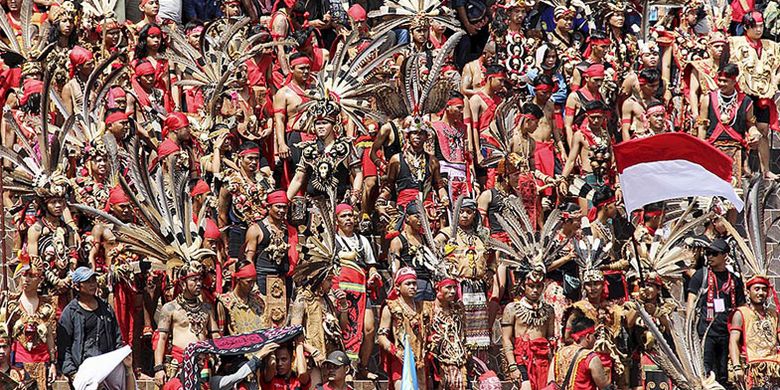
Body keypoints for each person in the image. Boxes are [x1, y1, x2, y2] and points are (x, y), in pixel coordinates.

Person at [687, 237, 746, 386]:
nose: (710, 257)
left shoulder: (734, 279)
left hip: (727, 333)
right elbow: (691, 303)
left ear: (725, 255)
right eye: (708, 253)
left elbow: (742, 307)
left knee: (724, 374)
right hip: (706, 332)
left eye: (714, 253)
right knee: (706, 373)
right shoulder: (701, 275)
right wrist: (689, 330)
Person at [154, 262, 220, 387]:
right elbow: (161, 339)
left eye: (200, 279)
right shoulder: (170, 308)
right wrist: (158, 368)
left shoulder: (207, 308)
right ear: (183, 283)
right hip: (179, 364)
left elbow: (215, 335)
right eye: (194, 280)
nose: (199, 283)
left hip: (202, 365)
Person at [57, 267, 124, 381]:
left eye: (93, 280)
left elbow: (116, 337)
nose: (92, 284)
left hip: (105, 370)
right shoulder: (70, 312)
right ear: (77, 286)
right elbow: (64, 346)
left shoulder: (106, 309)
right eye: (87, 282)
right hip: (82, 372)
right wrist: (72, 373)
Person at [243, 190, 297, 327]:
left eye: (284, 207)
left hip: (285, 281)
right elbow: (248, 258)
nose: (282, 210)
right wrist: (252, 283)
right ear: (268, 207)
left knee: (284, 320)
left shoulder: (290, 231)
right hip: (263, 280)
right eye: (278, 206)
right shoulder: (256, 229)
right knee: (265, 319)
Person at [377, 268, 431, 390]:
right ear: (398, 287)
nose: (412, 287)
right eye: (408, 284)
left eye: (414, 283)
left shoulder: (423, 307)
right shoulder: (391, 307)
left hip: (420, 362)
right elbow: (381, 336)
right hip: (401, 361)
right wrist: (396, 352)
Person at [502, 269, 555, 389]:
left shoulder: (549, 310)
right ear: (522, 286)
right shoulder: (512, 308)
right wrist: (512, 366)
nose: (535, 290)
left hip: (543, 361)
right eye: (531, 286)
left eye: (538, 286)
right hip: (522, 359)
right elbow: (506, 339)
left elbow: (550, 338)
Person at [728, 274, 780, 388]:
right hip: (751, 369)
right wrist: (737, 366)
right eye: (756, 289)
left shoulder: (773, 314)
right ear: (747, 292)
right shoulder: (740, 313)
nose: (760, 293)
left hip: (773, 369)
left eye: (764, 289)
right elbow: (733, 342)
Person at [426, 278, 468, 390]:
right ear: (438, 288)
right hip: (436, 359)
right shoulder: (427, 309)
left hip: (457, 358)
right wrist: (430, 339)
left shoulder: (458, 309)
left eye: (455, 287)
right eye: (448, 287)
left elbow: (462, 333)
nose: (453, 291)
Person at [548, 316, 612, 389]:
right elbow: (604, 385)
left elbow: (550, 382)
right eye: (595, 335)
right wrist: (607, 366)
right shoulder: (590, 357)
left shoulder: (559, 353)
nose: (596, 339)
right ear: (588, 337)